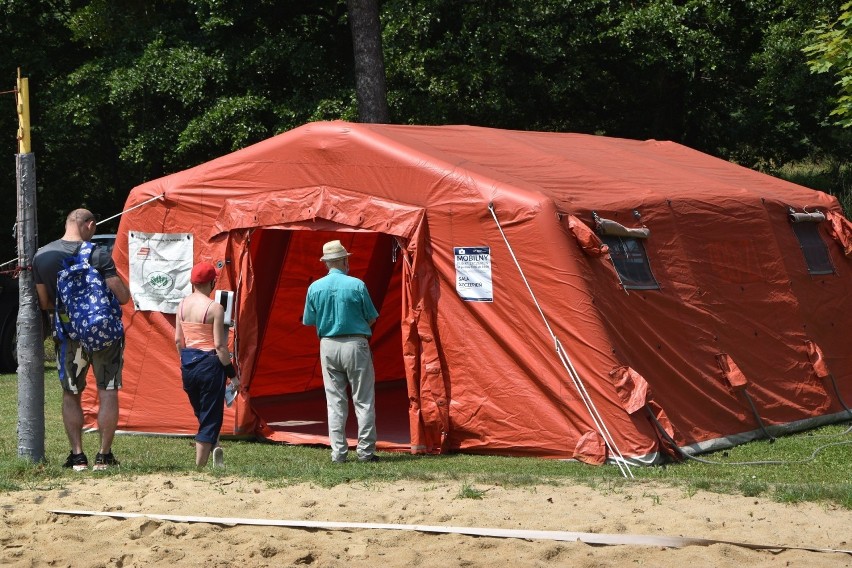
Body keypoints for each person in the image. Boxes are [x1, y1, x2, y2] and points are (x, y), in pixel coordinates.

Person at [33, 208, 131, 471]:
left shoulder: (42, 256)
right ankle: (103, 456)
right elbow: (122, 296)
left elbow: (44, 303)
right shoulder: (97, 253)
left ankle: (78, 456)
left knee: (71, 393)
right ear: (89, 224)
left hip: (68, 336)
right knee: (107, 391)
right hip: (103, 335)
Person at [303, 240, 380, 463]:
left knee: (334, 401)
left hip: (328, 344)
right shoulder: (357, 285)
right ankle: (365, 452)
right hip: (356, 343)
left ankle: (338, 452)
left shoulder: (314, 287)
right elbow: (372, 316)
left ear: (326, 263)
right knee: (363, 399)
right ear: (345, 261)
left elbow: (309, 320)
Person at [174, 261, 238, 468]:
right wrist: (232, 374)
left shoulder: (181, 305)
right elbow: (220, 346)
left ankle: (215, 447)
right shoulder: (215, 308)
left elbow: (178, 340)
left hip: (188, 363)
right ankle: (199, 466)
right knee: (210, 416)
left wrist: (184, 361)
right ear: (212, 283)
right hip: (210, 364)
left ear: (192, 282)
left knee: (202, 412)